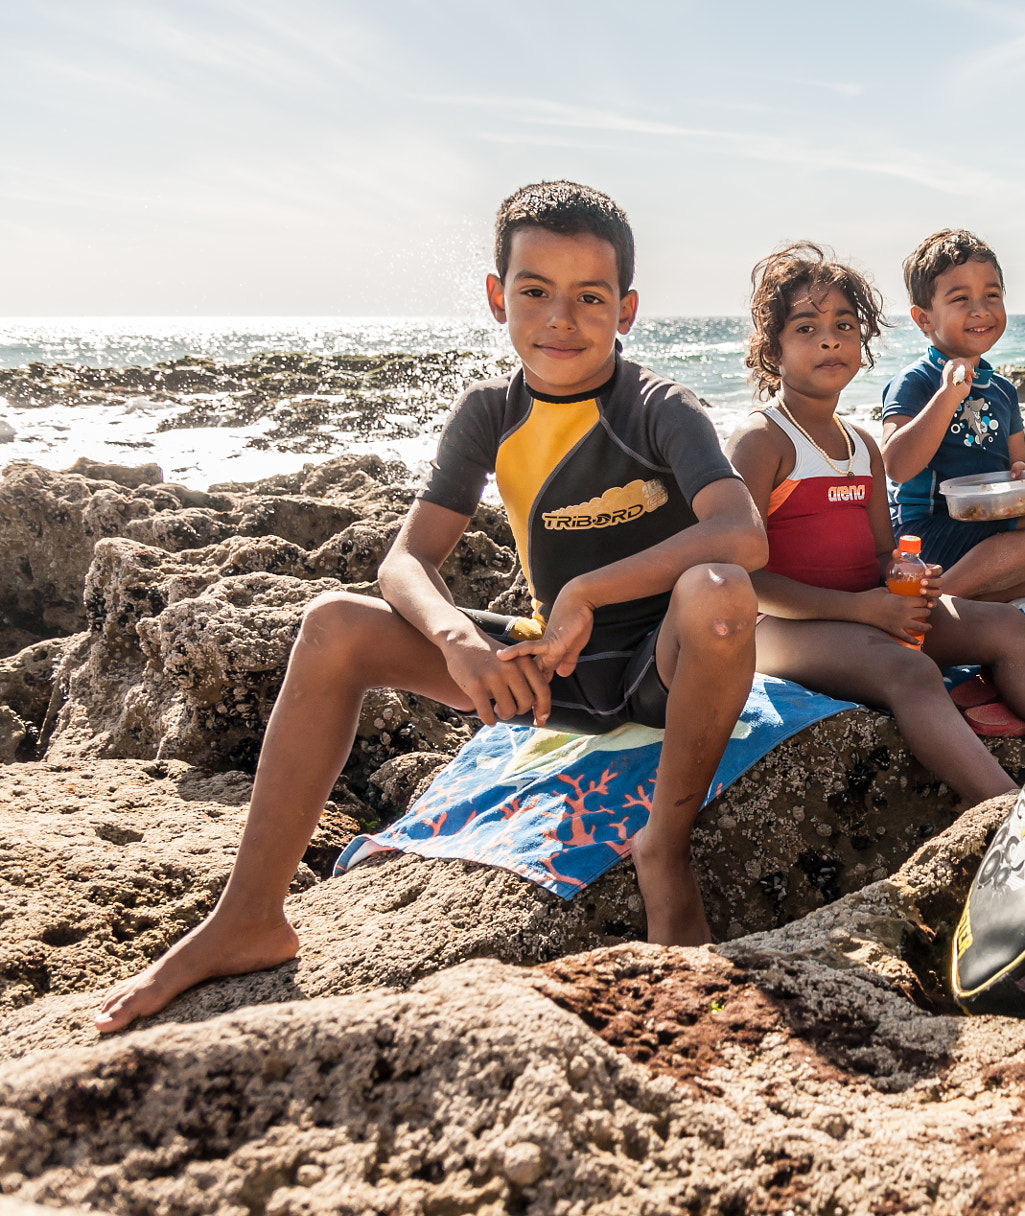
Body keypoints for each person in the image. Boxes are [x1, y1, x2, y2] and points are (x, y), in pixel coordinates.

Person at [94, 182, 768, 1031]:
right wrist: (456, 639)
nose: (561, 317)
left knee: (719, 595)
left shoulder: (658, 407)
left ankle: (664, 852)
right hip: (550, 671)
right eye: (534, 291)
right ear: (497, 298)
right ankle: (250, 914)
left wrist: (591, 590)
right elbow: (404, 560)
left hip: (662, 667)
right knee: (332, 625)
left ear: (626, 308)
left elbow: (741, 534)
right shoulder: (490, 413)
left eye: (589, 297)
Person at [725, 243, 1025, 804]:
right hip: (779, 630)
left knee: (1005, 628)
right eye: (806, 327)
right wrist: (862, 608)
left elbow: (879, 556)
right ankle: (1007, 814)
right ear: (771, 349)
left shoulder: (863, 447)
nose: (829, 339)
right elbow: (740, 579)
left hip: (867, 611)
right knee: (910, 671)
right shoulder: (762, 441)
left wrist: (904, 575)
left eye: (844, 325)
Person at [879, 229, 1025, 601]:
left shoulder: (1003, 390)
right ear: (924, 318)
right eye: (960, 299)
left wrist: (1024, 482)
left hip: (986, 528)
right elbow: (896, 465)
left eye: (992, 295)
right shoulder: (916, 381)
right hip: (927, 533)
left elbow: (1017, 468)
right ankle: (937, 603)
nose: (980, 309)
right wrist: (947, 395)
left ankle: (977, 599)